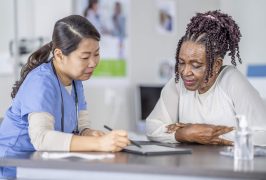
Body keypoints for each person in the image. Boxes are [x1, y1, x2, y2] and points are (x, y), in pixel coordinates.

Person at [0, 14, 130, 164]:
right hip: (14, 166)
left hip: (46, 164)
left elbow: (81, 127)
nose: (93, 63)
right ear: (59, 55)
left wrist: (93, 135)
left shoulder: (76, 80)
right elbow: (41, 139)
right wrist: (99, 144)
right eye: (85, 57)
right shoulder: (41, 82)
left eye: (96, 54)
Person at [146, 10, 266, 145]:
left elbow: (262, 134)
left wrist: (203, 133)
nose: (185, 72)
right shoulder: (178, 83)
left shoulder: (232, 80)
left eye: (195, 65)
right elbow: (152, 127)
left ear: (216, 65)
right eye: (181, 62)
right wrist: (183, 133)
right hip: (192, 164)